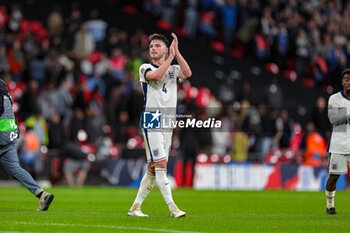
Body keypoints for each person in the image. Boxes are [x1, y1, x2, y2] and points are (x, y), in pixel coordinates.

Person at [128, 33, 191, 218]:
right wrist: (170, 58)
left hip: (168, 120)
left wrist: (177, 53)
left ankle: (135, 207)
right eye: (151, 46)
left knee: (153, 168)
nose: (153, 48)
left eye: (157, 45)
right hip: (152, 118)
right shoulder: (145, 67)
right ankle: (173, 208)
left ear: (165, 49)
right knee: (161, 163)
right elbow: (155, 76)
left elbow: (187, 74)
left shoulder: (173, 70)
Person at [0, 79, 54, 211]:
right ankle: (41, 194)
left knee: (15, 168)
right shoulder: (7, 96)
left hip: (2, 135)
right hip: (11, 135)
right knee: (16, 169)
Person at [326, 68, 350, 215]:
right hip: (339, 143)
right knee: (334, 176)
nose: (349, 82)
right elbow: (334, 120)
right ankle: (330, 206)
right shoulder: (335, 99)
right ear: (342, 82)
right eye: (346, 79)